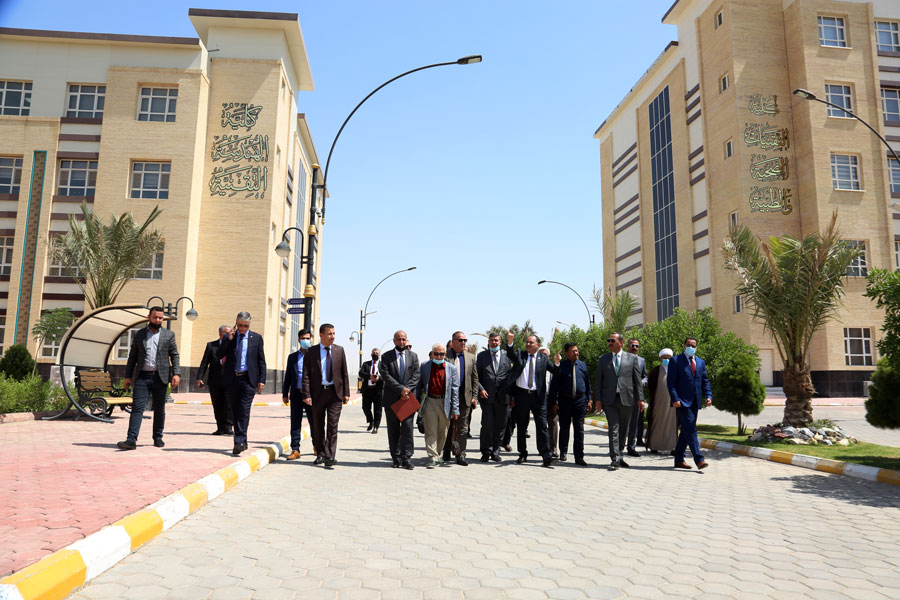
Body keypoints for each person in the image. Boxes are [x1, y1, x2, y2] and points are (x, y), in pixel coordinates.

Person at [117, 306, 181, 450]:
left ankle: (158, 437)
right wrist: (127, 376)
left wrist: (176, 373)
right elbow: (132, 357)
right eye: (155, 317)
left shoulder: (168, 335)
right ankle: (131, 439)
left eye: (160, 318)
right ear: (149, 317)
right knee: (137, 407)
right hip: (142, 377)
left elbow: (174, 355)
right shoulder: (139, 334)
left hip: (160, 377)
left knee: (159, 409)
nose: (158, 320)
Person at [506, 331, 558, 468]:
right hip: (522, 396)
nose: (528, 344)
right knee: (522, 426)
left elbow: (555, 371)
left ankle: (546, 455)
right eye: (527, 342)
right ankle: (522, 453)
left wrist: (557, 363)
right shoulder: (521, 355)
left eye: (531, 342)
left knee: (542, 426)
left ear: (538, 345)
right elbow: (511, 354)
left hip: (538, 397)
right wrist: (510, 342)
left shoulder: (543, 358)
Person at [302, 323, 351, 468]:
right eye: (329, 334)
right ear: (321, 335)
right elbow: (306, 374)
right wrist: (307, 394)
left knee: (332, 425)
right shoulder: (311, 352)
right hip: (318, 394)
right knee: (318, 425)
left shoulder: (339, 350)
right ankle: (321, 453)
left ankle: (330, 456)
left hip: (335, 394)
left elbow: (344, 373)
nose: (332, 336)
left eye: (334, 333)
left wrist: (346, 393)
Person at [217, 311, 266, 456]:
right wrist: (228, 339)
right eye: (240, 325)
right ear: (236, 323)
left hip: (248, 380)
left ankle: (239, 442)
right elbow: (219, 354)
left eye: (245, 326)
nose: (243, 328)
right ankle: (242, 441)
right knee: (235, 411)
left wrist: (262, 379)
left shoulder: (256, 338)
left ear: (249, 324)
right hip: (233, 379)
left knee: (244, 410)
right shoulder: (230, 337)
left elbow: (261, 360)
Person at [593, 332, 643, 470]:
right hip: (609, 400)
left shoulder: (632, 358)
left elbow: (637, 380)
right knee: (613, 428)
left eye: (612, 340)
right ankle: (614, 458)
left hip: (627, 398)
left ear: (621, 343)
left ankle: (620, 455)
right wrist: (598, 399)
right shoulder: (603, 359)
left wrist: (640, 399)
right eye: (609, 340)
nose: (609, 343)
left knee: (624, 429)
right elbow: (598, 380)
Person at [667, 337, 712, 470]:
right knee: (691, 429)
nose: (690, 347)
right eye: (688, 345)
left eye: (693, 345)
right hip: (681, 402)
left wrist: (708, 395)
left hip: (695, 401)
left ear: (696, 348)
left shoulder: (701, 362)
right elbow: (671, 383)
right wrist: (675, 398)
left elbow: (705, 380)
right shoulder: (675, 361)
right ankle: (699, 459)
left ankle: (679, 460)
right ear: (684, 346)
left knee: (686, 431)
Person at [380, 330, 421, 470]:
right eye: (399, 339)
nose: (401, 342)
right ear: (394, 341)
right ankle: (396, 458)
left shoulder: (413, 356)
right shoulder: (386, 356)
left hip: (407, 399)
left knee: (408, 429)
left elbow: (416, 375)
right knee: (393, 430)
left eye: (404, 339)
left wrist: (407, 390)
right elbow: (386, 375)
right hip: (392, 399)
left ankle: (406, 458)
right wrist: (400, 389)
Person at [415, 343, 460, 468]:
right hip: (430, 401)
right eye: (436, 354)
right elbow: (419, 385)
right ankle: (432, 457)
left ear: (445, 354)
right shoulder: (425, 366)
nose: (439, 356)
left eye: (442, 354)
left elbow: (455, 389)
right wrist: (416, 402)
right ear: (432, 354)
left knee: (443, 432)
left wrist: (455, 409)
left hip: (445, 403)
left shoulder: (451, 368)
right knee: (431, 431)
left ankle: (438, 454)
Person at [548, 342, 591, 466]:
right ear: (567, 353)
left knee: (579, 429)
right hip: (564, 401)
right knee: (564, 427)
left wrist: (589, 399)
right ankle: (563, 452)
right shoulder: (561, 366)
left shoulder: (582, 365)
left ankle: (579, 456)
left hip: (580, 401)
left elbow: (587, 384)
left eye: (577, 350)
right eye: (573, 351)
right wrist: (554, 402)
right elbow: (554, 386)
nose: (576, 353)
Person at [443, 331, 480, 466]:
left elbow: (475, 379)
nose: (463, 342)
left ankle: (461, 454)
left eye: (465, 340)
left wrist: (474, 396)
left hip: (465, 398)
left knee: (463, 427)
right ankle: (446, 450)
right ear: (453, 342)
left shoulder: (471, 357)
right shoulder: (445, 356)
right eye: (460, 340)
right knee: (448, 426)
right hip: (448, 398)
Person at [475, 332, 512, 462]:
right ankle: (486, 451)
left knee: (500, 425)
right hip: (487, 397)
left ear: (500, 342)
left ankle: (496, 451)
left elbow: (510, 376)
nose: (494, 342)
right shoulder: (482, 356)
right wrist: (481, 389)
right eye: (492, 340)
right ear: (488, 342)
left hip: (503, 397)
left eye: (496, 340)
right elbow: (476, 376)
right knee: (487, 425)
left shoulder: (507, 356)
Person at [282, 329, 315, 460]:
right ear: (298, 340)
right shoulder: (292, 357)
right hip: (296, 394)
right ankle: (295, 449)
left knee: (314, 422)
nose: (305, 341)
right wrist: (285, 393)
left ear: (311, 339)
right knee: (295, 423)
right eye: (303, 338)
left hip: (311, 396)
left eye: (307, 338)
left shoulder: (315, 356)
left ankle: (317, 446)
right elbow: (288, 376)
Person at [196, 325, 233, 436]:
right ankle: (220, 427)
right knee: (217, 405)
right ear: (220, 334)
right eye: (227, 333)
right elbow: (204, 362)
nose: (229, 335)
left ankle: (228, 427)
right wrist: (199, 378)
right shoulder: (211, 345)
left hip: (230, 380)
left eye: (230, 333)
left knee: (229, 404)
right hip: (215, 381)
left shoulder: (233, 345)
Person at [646, 348, 677, 454]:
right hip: (658, 401)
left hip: (672, 402)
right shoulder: (655, 371)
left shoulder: (676, 370)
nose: (667, 360)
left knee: (672, 424)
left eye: (669, 358)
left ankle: (672, 447)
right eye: (664, 358)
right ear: (660, 358)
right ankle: (654, 445)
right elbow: (650, 386)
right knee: (657, 422)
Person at [625, 337, 649, 456]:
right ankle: (617, 446)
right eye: (632, 345)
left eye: (636, 346)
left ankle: (631, 446)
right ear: (627, 346)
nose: (634, 348)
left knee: (635, 421)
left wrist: (642, 382)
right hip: (624, 393)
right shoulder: (622, 358)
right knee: (623, 421)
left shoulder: (641, 360)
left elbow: (645, 376)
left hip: (637, 394)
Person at [359, 348, 383, 434]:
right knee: (365, 407)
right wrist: (370, 376)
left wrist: (379, 377)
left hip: (378, 391)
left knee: (378, 410)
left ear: (379, 355)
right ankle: (371, 421)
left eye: (377, 353)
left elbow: (386, 375)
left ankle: (376, 426)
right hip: (367, 390)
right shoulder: (366, 364)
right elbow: (361, 373)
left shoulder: (383, 365)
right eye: (374, 353)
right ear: (371, 354)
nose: (375, 354)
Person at [542, 346, 561, 459]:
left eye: (545, 355)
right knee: (541, 424)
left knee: (553, 422)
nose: (543, 357)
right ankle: (544, 448)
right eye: (541, 354)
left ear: (549, 357)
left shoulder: (554, 368)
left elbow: (559, 385)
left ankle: (553, 449)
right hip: (539, 399)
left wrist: (557, 401)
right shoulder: (535, 368)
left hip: (552, 399)